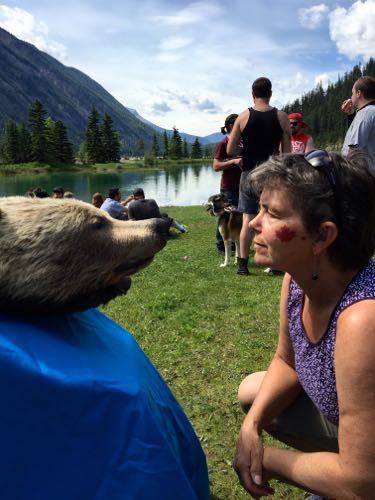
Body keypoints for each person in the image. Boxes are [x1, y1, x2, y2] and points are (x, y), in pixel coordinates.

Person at [233, 149, 375, 499]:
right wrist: (252, 426)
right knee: (253, 394)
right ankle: (337, 467)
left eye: (273, 213)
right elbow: (287, 360)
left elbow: (363, 484)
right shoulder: (297, 281)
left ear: (322, 237)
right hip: (350, 419)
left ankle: (340, 472)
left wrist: (263, 460)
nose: (254, 222)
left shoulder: (362, 320)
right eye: (260, 208)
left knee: (356, 481)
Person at [227, 77, 291, 275]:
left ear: (252, 94)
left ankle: (242, 265)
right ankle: (274, 264)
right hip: (271, 172)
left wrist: (244, 149)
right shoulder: (281, 117)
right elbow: (287, 153)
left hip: (249, 173)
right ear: (270, 93)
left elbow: (230, 149)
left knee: (248, 218)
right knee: (272, 217)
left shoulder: (243, 116)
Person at [212, 113, 242, 255]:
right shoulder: (223, 143)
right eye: (239, 123)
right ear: (231, 126)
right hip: (229, 187)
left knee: (239, 216)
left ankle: (236, 244)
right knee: (225, 215)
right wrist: (233, 162)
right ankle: (221, 246)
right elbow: (216, 166)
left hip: (244, 185)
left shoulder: (243, 142)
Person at [341, 75, 375, 174]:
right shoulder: (370, 111)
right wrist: (351, 114)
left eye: (352, 93)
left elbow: (354, 149)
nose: (351, 97)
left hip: (363, 178)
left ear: (358, 93)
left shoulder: (365, 113)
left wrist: (344, 174)